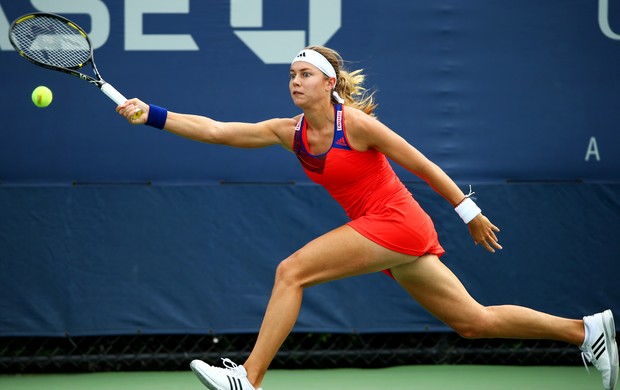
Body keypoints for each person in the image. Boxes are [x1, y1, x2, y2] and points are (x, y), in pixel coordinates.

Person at [117, 46, 618, 390]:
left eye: (305, 74)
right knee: (473, 322)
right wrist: (153, 115)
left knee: (292, 271)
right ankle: (584, 331)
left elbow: (420, 163)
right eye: (291, 75)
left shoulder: (355, 124)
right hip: (388, 234)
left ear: (329, 83)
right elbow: (217, 131)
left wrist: (470, 212)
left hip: (396, 221)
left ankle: (249, 377)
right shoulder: (287, 130)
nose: (295, 81)